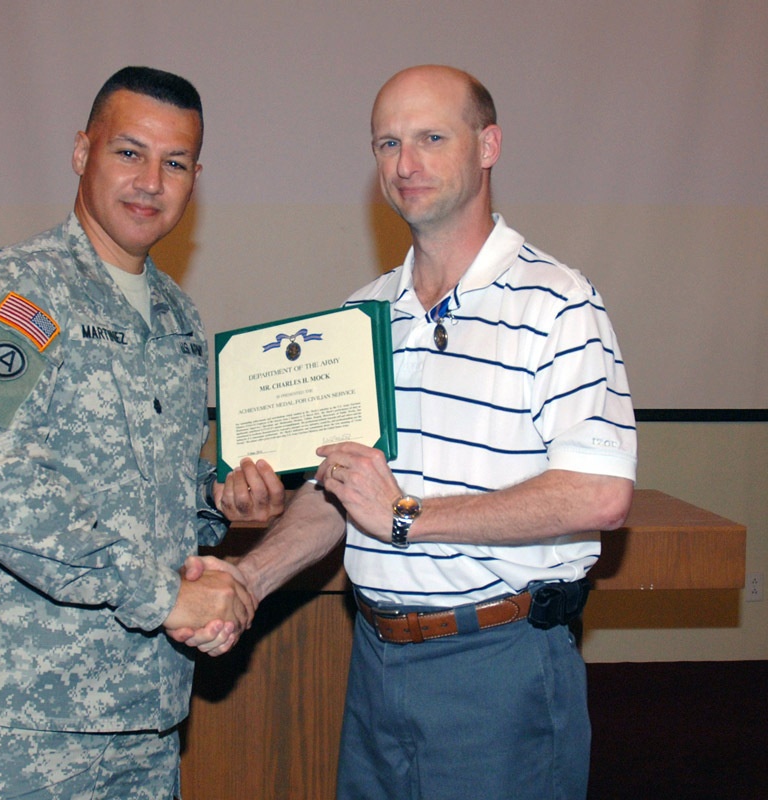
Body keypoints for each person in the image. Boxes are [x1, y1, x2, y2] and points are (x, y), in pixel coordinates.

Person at [176, 65, 637, 799]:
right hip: (375, 666)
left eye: (430, 138)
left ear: (488, 146)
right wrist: (249, 578)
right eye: (386, 143)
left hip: (500, 669)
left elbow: (598, 496)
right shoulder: (362, 317)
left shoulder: (559, 303)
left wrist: (406, 518)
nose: (406, 164)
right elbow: (339, 497)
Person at [0, 66, 283, 800]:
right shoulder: (16, 293)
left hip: (144, 718)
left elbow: (147, 483)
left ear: (195, 178)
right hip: (12, 727)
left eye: (174, 163)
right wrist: (162, 595)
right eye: (128, 152)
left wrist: (220, 498)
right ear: (82, 152)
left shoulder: (177, 319)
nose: (150, 181)